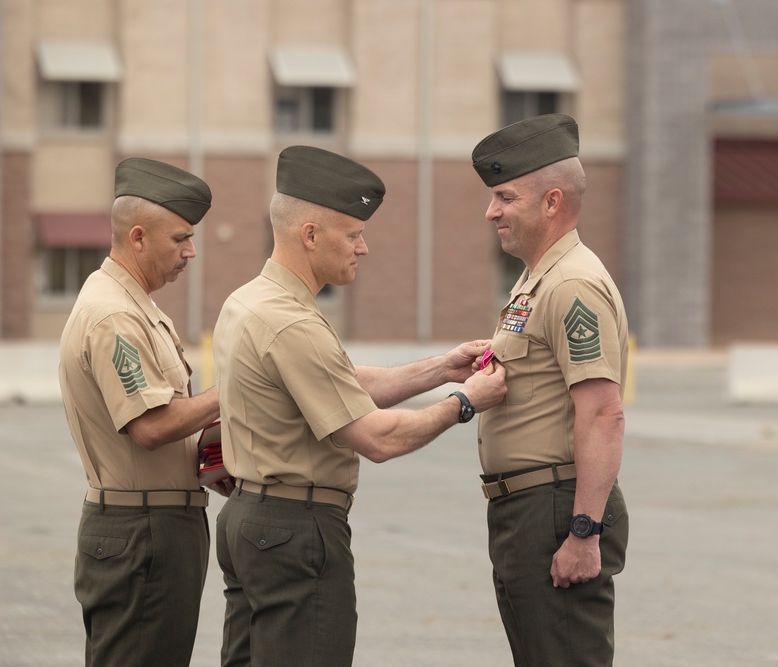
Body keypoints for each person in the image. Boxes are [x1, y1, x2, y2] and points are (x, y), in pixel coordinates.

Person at [212, 145, 507, 667]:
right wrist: (464, 401)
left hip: (252, 519)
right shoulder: (293, 322)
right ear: (310, 235)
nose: (363, 248)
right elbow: (376, 438)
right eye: (353, 234)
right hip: (294, 529)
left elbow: (340, 383)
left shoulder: (250, 301)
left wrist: (440, 368)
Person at [470, 113, 630, 667]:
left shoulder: (573, 284)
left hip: (557, 509)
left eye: (504, 197)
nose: (492, 211)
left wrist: (584, 531)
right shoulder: (537, 278)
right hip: (528, 511)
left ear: (552, 202)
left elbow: (603, 412)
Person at [58, 158, 224, 667]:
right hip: (142, 532)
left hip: (156, 524)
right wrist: (239, 387)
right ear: (137, 237)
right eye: (179, 239)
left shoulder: (135, 305)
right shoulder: (114, 315)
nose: (190, 252)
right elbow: (151, 427)